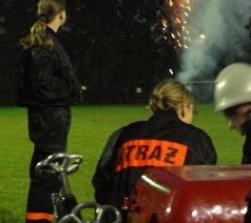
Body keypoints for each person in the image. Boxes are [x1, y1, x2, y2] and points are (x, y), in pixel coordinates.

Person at [92, 80, 217, 209]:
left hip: (121, 222)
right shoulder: (197, 139)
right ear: (185, 108)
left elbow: (101, 182)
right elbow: (204, 190)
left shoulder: (124, 133)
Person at [17, 0, 80, 223]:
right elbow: (42, 85)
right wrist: (71, 89)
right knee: (48, 174)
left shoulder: (44, 41)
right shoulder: (45, 43)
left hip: (49, 116)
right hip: (50, 118)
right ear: (61, 14)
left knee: (48, 173)